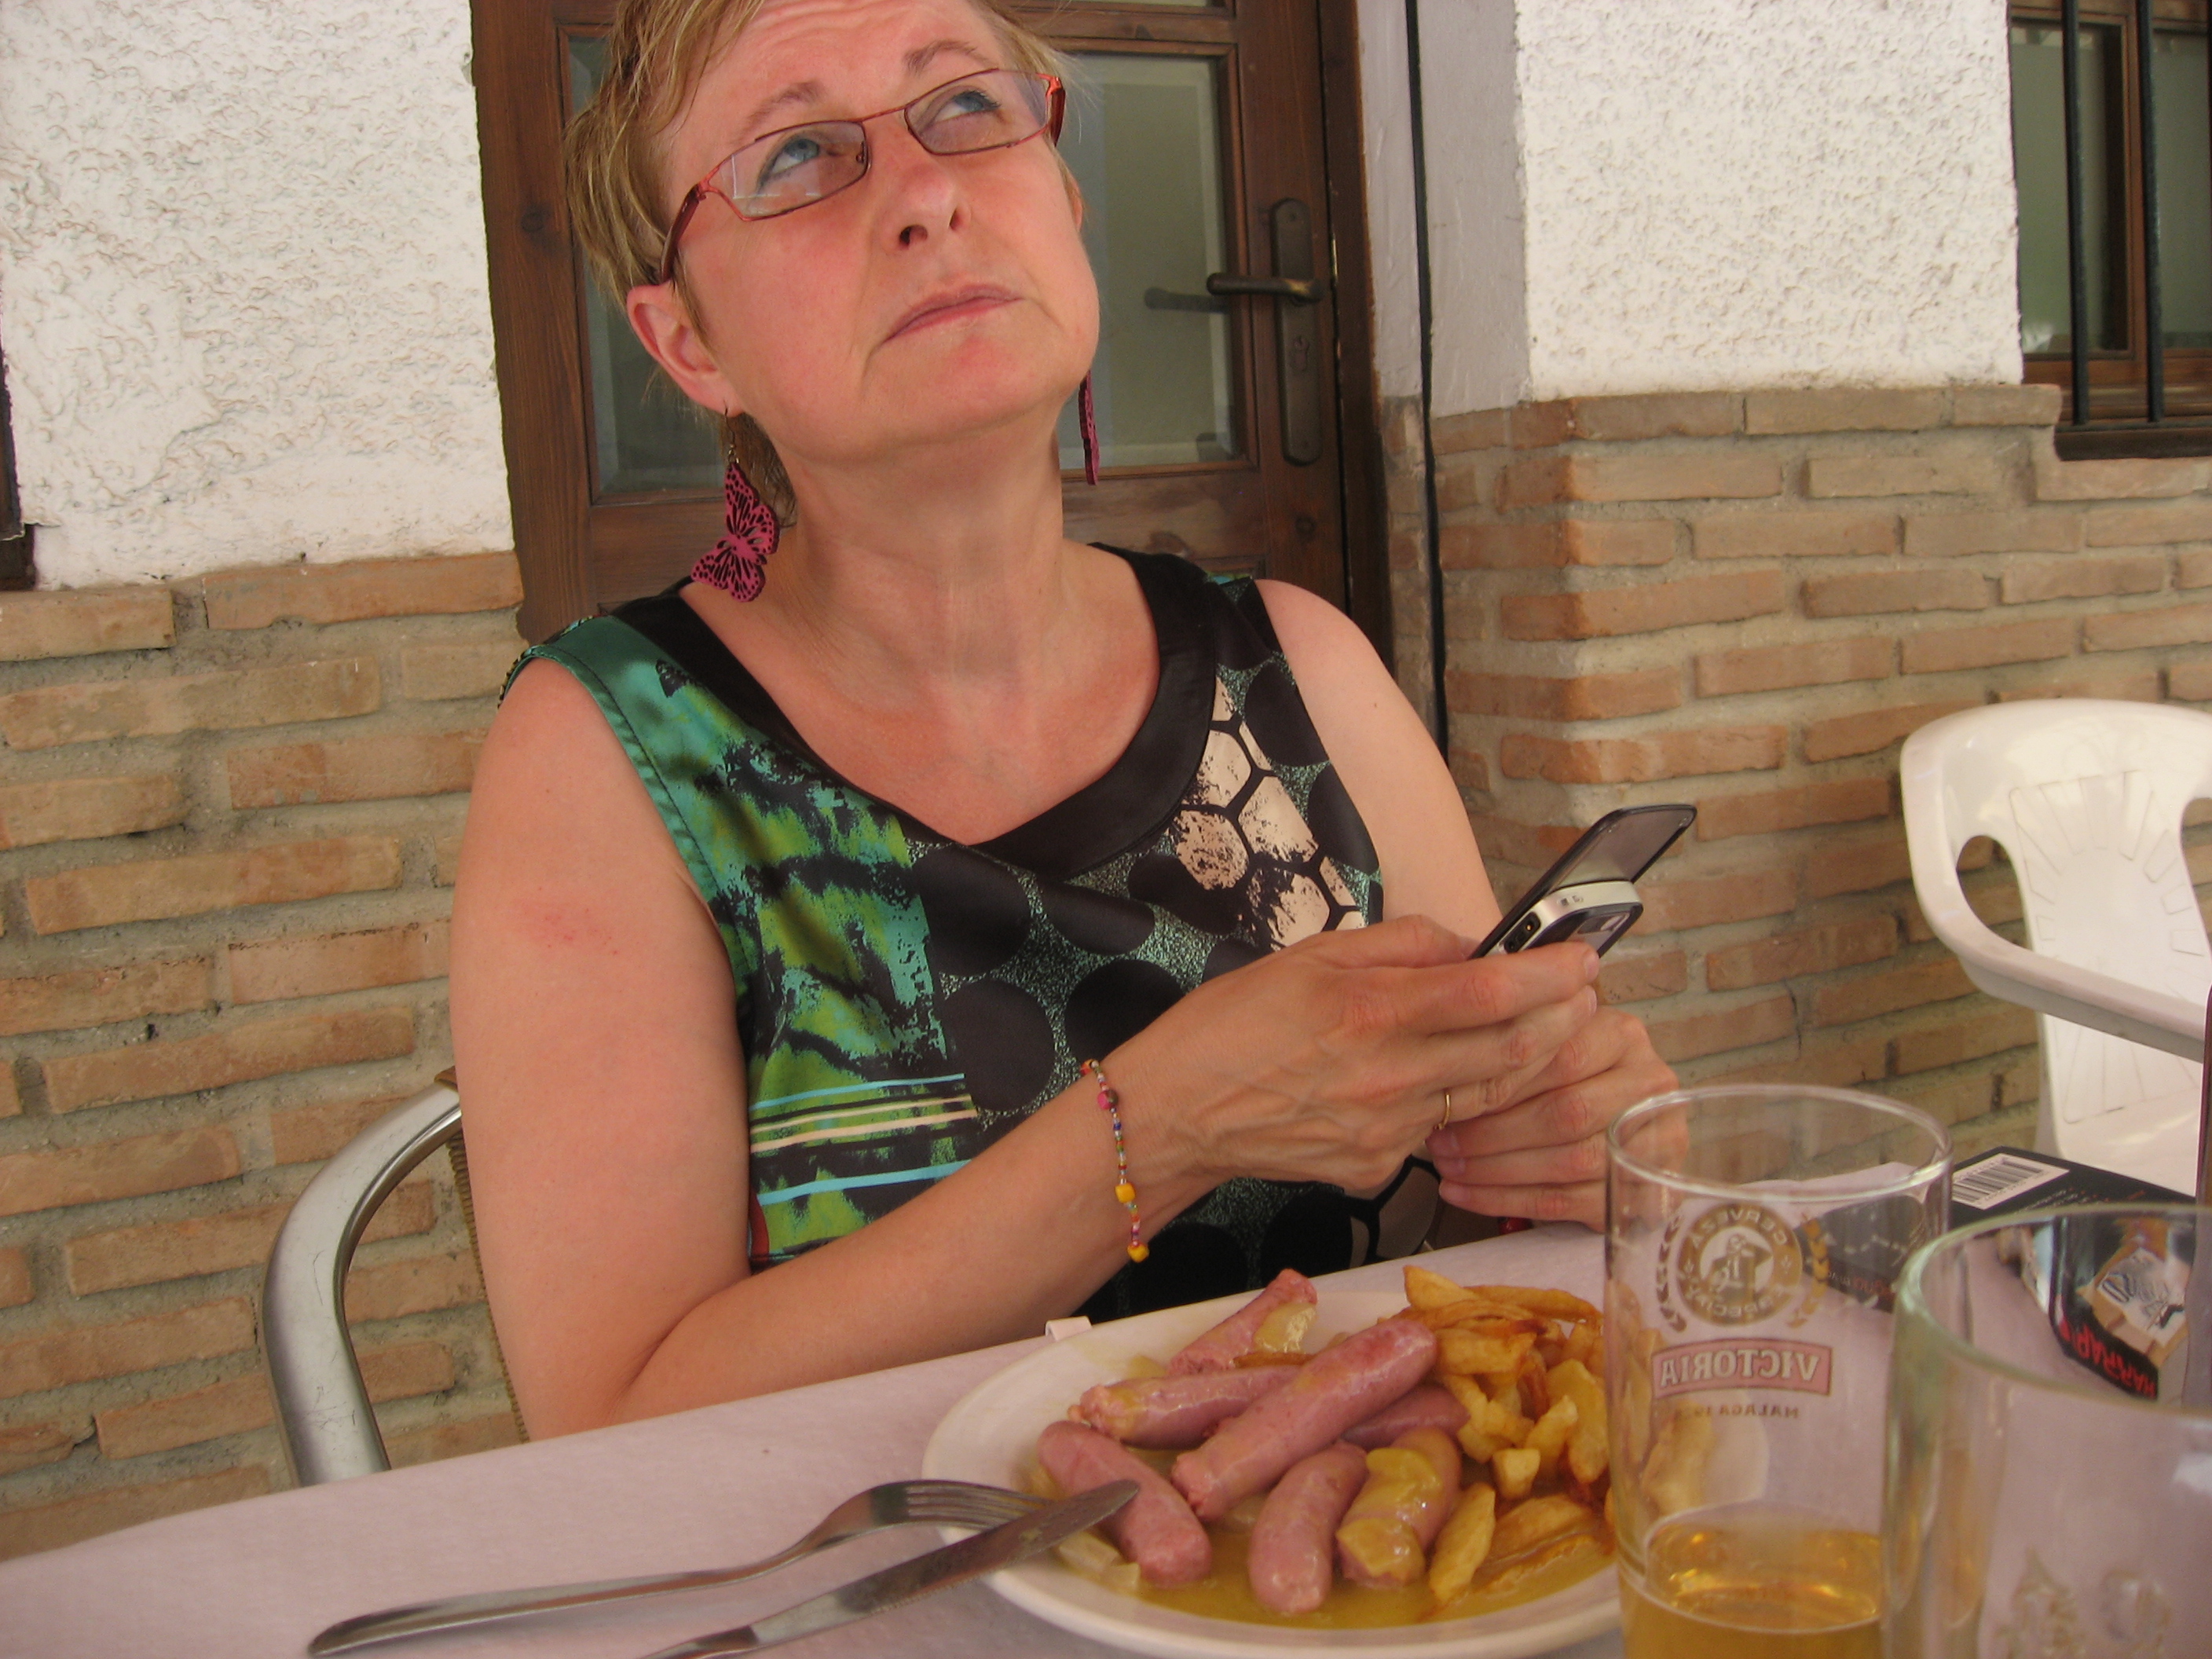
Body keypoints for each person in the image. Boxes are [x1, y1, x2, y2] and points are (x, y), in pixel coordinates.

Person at [449, 0, 1674, 1439]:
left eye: (966, 106)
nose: (926, 194)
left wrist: (1569, 1162)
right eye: (795, 156)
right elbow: (610, 1430)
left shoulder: (1300, 669)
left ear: (1065, 202)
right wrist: (1162, 1122)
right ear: (687, 343)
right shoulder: (616, 755)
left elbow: (1459, 1277)